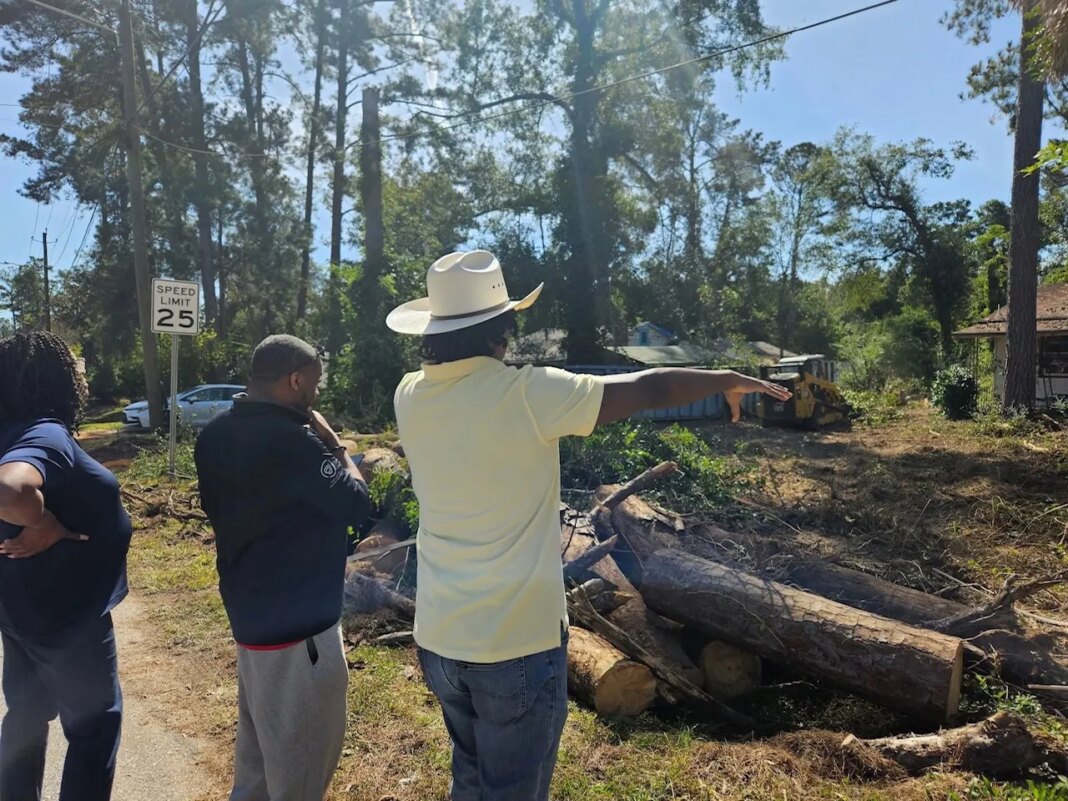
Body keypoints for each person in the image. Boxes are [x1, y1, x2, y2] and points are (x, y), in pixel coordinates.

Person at [387, 251, 791, 801]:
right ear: (502, 330)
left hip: (439, 638)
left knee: (472, 777)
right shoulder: (528, 394)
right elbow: (647, 388)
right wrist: (723, 377)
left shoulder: (410, 394)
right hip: (514, 645)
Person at [194, 334, 371, 801]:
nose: (316, 393)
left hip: (251, 623)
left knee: (256, 768)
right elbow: (356, 504)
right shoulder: (296, 444)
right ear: (296, 380)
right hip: (301, 636)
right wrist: (337, 447)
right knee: (299, 773)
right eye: (314, 383)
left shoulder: (213, 435)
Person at [0, 331, 132, 801]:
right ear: (54, 379)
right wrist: (46, 521)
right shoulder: (44, 431)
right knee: (95, 731)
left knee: (27, 719)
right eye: (75, 366)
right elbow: (9, 490)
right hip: (70, 621)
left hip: (20, 615)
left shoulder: (9, 429)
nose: (82, 371)